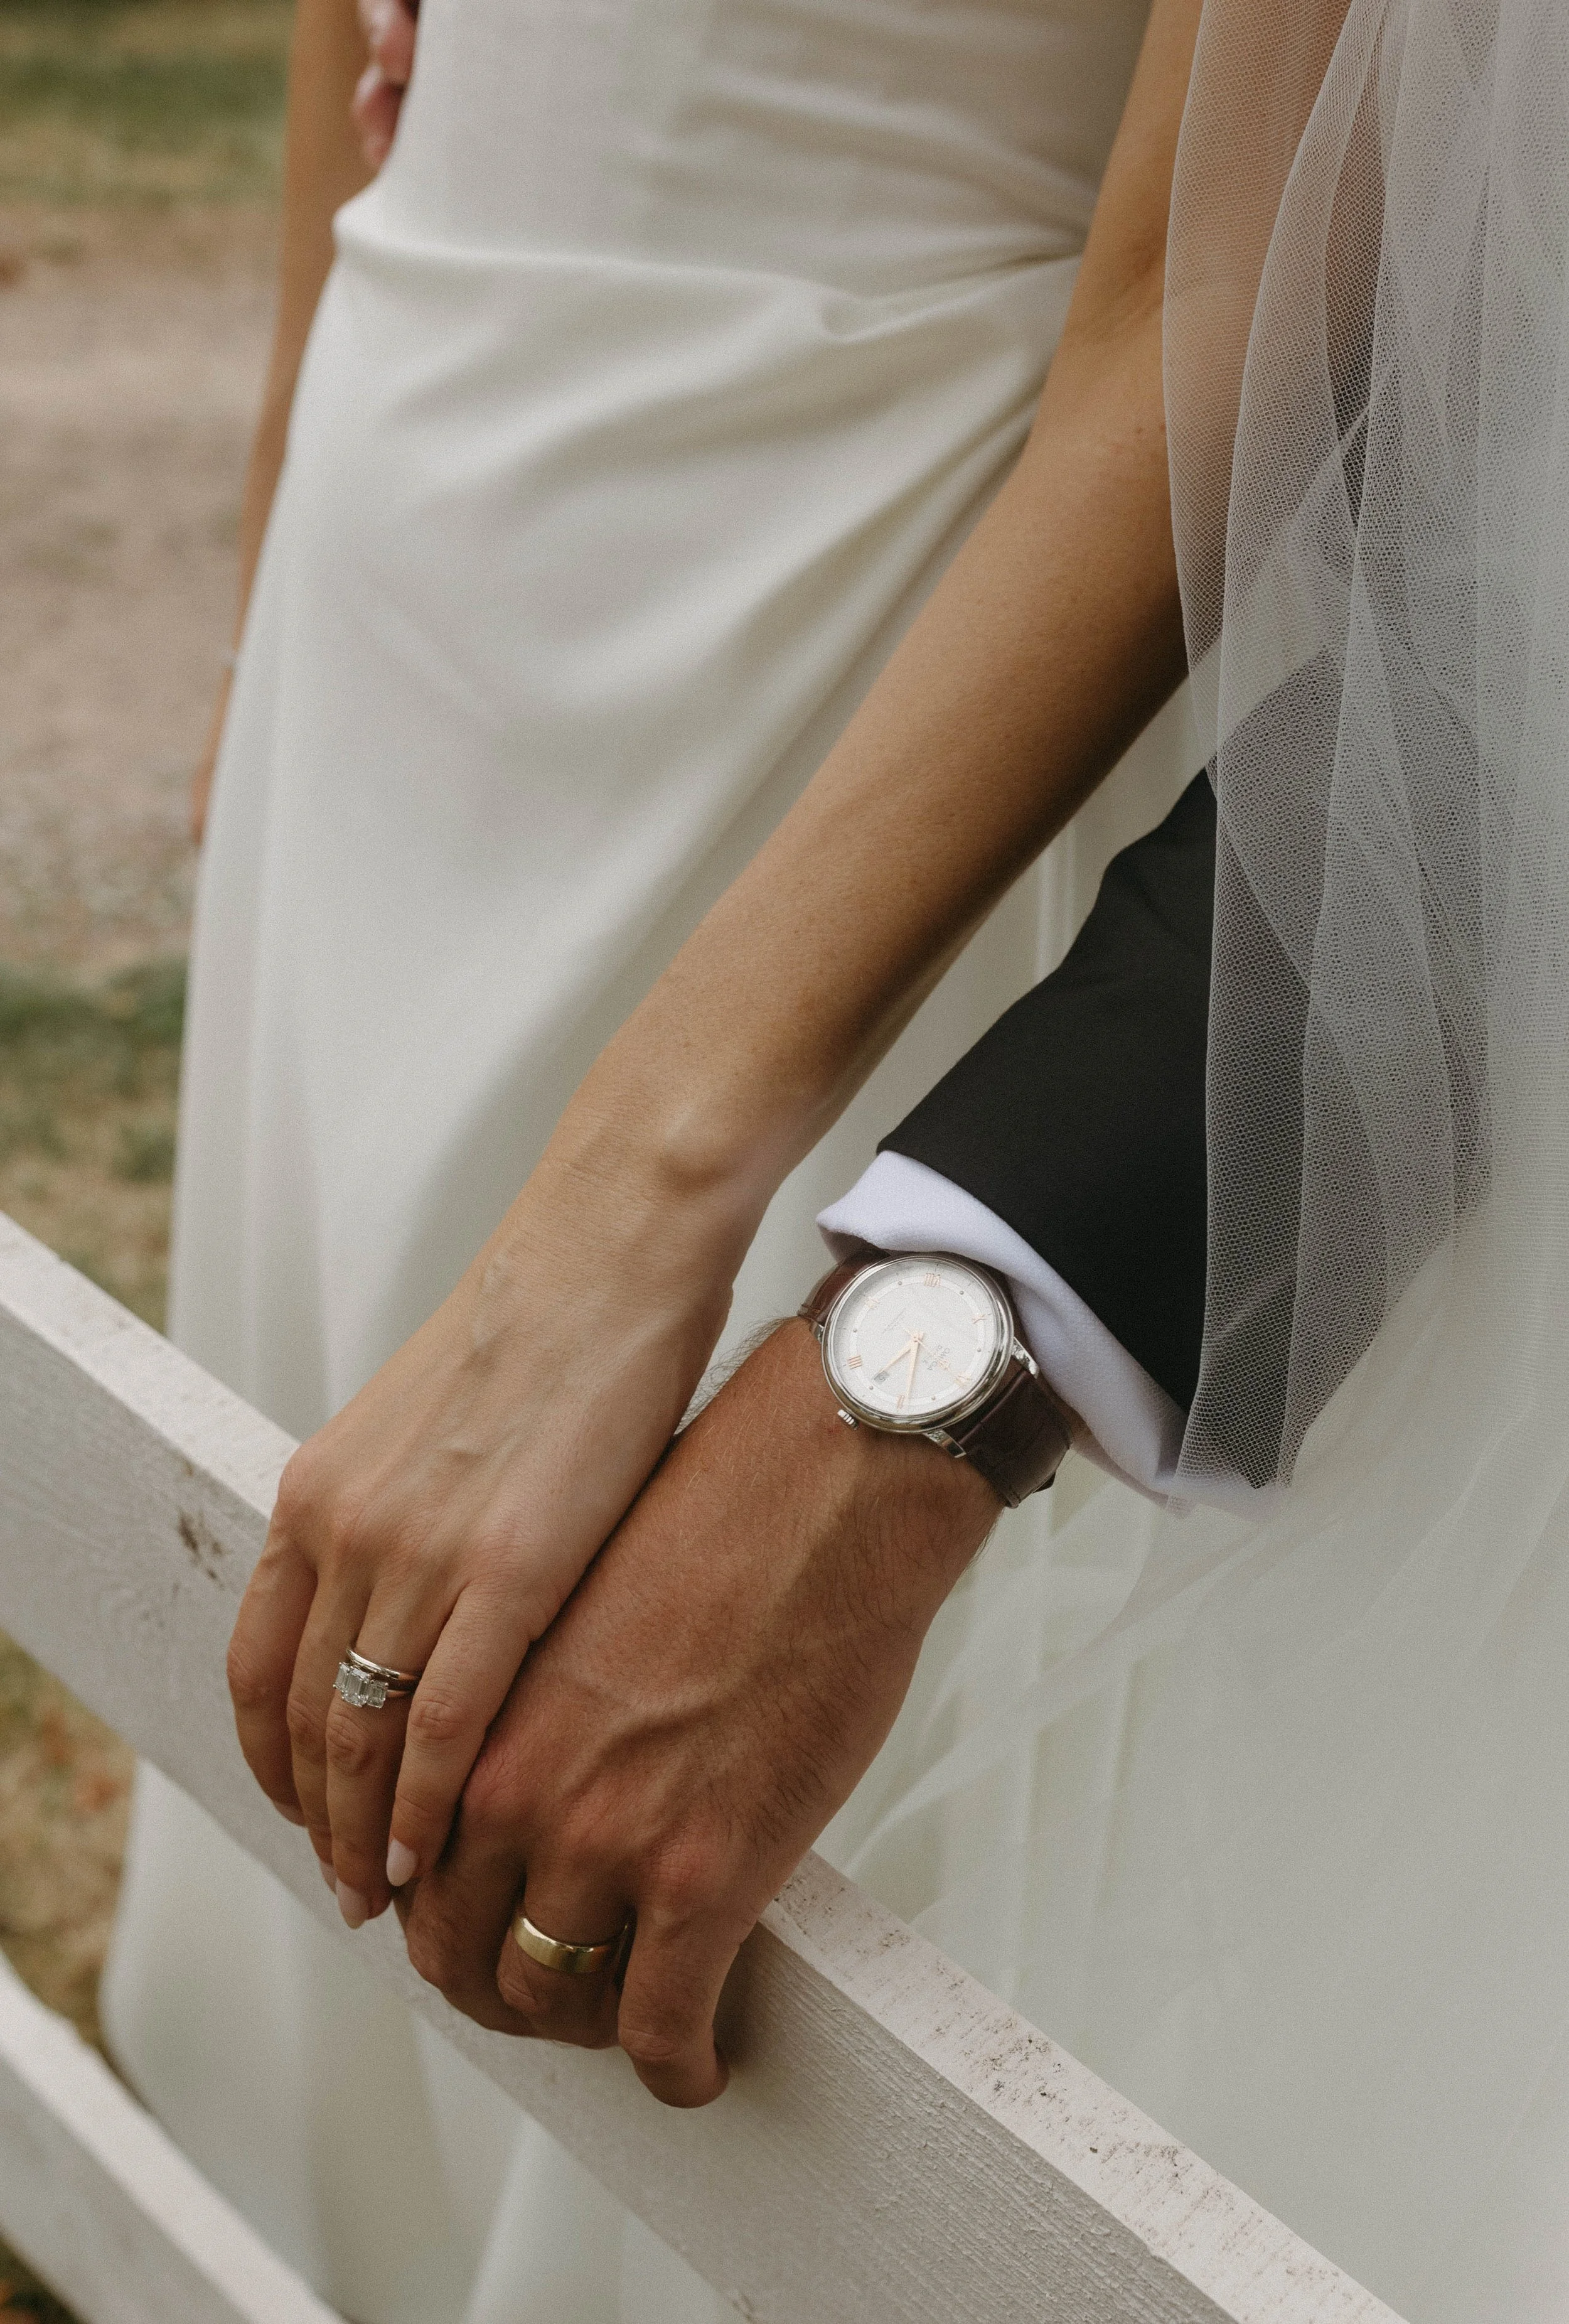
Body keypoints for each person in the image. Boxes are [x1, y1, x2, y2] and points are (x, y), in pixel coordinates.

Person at [104, 0, 1212, 2316]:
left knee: (659, 1856)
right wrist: (278, 550)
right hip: (413, 549)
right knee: (315, 1632)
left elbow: (1210, 282)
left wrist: (638, 1220)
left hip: (867, 599)